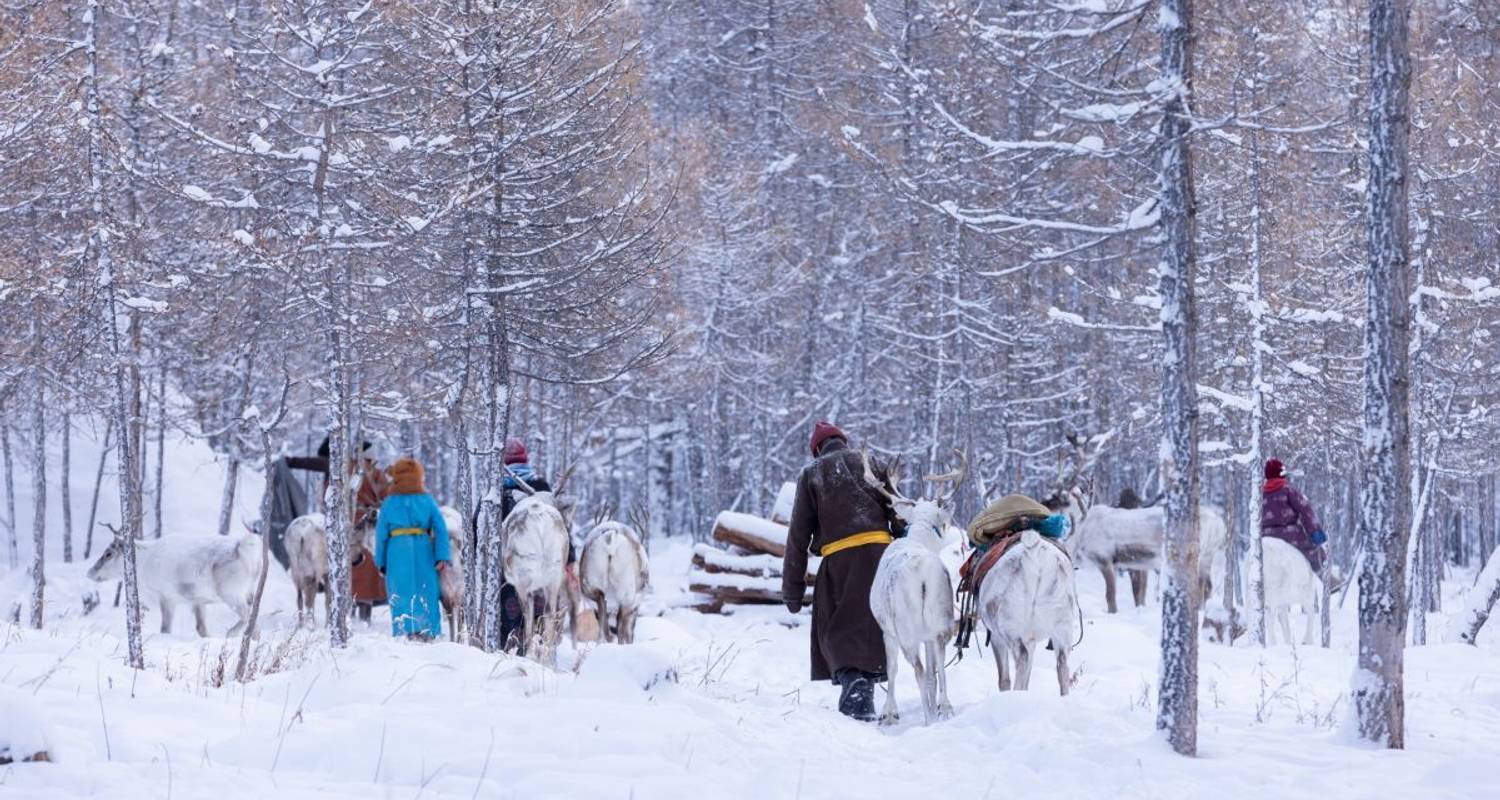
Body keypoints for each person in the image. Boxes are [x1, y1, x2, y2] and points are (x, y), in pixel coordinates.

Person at [783, 421, 905, 722]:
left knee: (838, 626)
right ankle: (864, 690)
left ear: (816, 450)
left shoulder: (812, 474)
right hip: (881, 556)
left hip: (840, 562)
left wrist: (792, 591)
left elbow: (798, 536)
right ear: (843, 441)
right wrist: (905, 549)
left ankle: (856, 694)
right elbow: (900, 512)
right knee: (874, 621)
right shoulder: (871, 463)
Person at [287, 436, 389, 622]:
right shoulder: (377, 475)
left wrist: (288, 462)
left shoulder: (340, 467)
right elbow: (388, 496)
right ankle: (362, 616)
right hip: (364, 526)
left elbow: (312, 463)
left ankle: (340, 610)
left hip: (338, 523)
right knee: (364, 567)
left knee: (339, 566)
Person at [375, 457, 451, 640]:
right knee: (427, 590)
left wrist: (380, 562)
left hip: (396, 551)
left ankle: (404, 631)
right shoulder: (426, 500)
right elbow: (440, 528)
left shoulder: (389, 503)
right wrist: (441, 556)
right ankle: (428, 631)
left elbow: (381, 535)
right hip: (423, 549)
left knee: (400, 591)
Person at [1261, 458, 1328, 573]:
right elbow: (1306, 511)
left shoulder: (1260, 494)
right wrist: (1316, 533)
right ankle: (1325, 580)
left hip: (1265, 536)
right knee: (1318, 555)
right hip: (1290, 535)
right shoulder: (1288, 490)